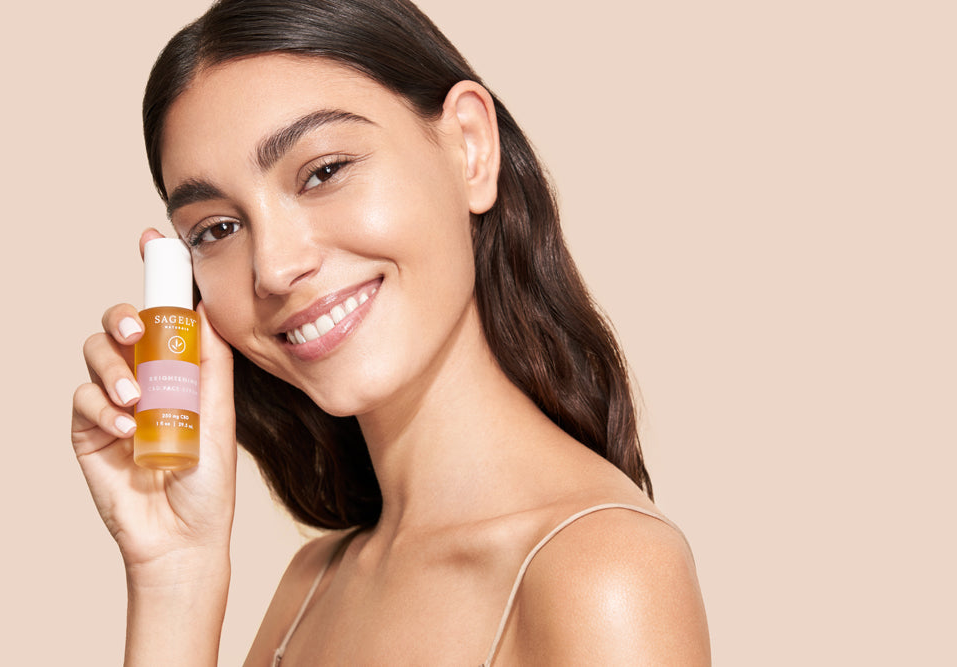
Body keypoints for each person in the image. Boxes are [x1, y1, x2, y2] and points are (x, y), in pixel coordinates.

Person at [71, 0, 710, 664]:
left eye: (323, 171)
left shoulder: (604, 573)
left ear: (469, 147)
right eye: (216, 229)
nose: (275, 267)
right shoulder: (313, 583)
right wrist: (175, 570)